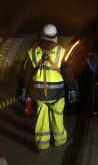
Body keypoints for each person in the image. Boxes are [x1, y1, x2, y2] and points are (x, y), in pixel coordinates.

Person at [21, 24, 76, 154]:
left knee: (41, 119)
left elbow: (27, 73)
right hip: (57, 93)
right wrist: (72, 89)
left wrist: (24, 89)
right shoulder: (61, 51)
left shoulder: (33, 51)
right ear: (56, 36)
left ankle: (42, 146)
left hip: (39, 93)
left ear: (42, 35)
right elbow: (68, 74)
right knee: (57, 117)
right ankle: (60, 141)